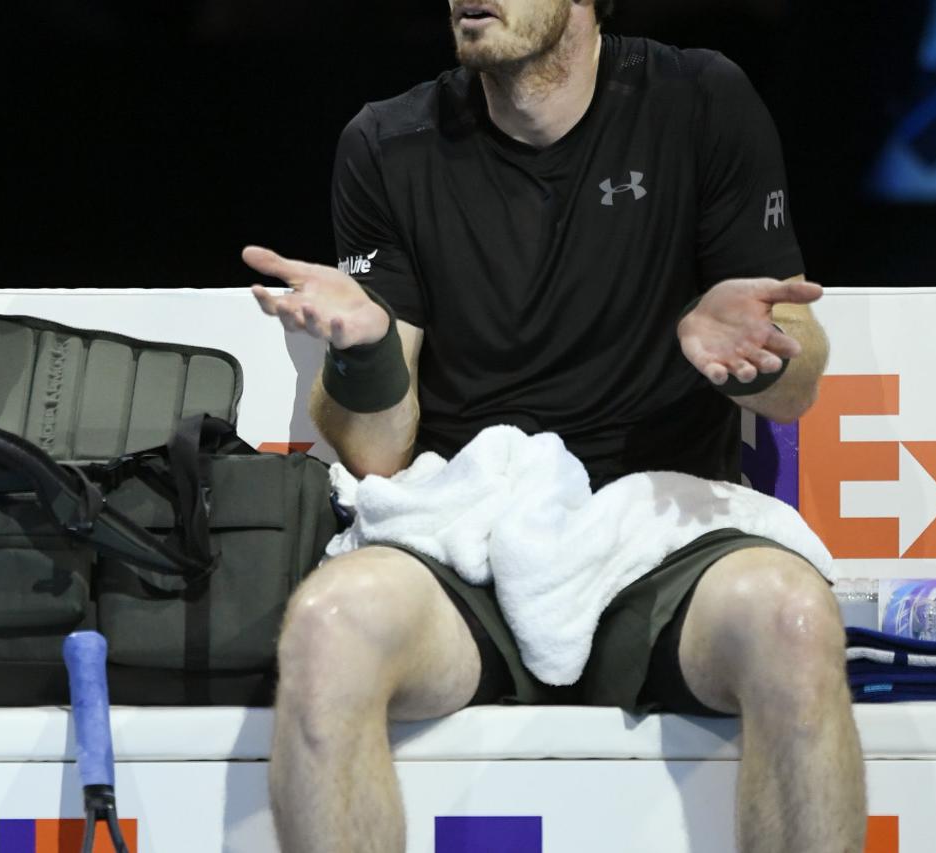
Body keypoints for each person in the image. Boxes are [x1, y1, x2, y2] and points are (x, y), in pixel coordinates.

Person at [244, 1, 866, 850]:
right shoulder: (386, 144)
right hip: (470, 542)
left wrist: (757, 352)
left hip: (659, 542)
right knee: (326, 626)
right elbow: (380, 451)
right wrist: (368, 351)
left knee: (793, 620)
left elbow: (794, 387)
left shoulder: (700, 101)